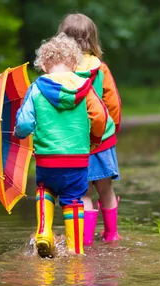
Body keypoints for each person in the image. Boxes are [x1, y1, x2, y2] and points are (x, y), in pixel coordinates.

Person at [14, 33, 107, 257]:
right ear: (75, 63)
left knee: (45, 189)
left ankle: (44, 231)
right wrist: (93, 140)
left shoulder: (36, 88)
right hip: (77, 159)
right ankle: (75, 248)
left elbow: (25, 123)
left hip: (47, 159)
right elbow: (100, 118)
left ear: (44, 65)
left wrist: (20, 132)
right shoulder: (85, 87)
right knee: (73, 199)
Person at [57, 13, 122, 245]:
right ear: (93, 39)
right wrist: (111, 129)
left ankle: (84, 241)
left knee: (84, 193)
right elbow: (113, 102)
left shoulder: (59, 73)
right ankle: (111, 234)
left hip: (75, 143)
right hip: (101, 139)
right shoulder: (100, 68)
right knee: (106, 190)